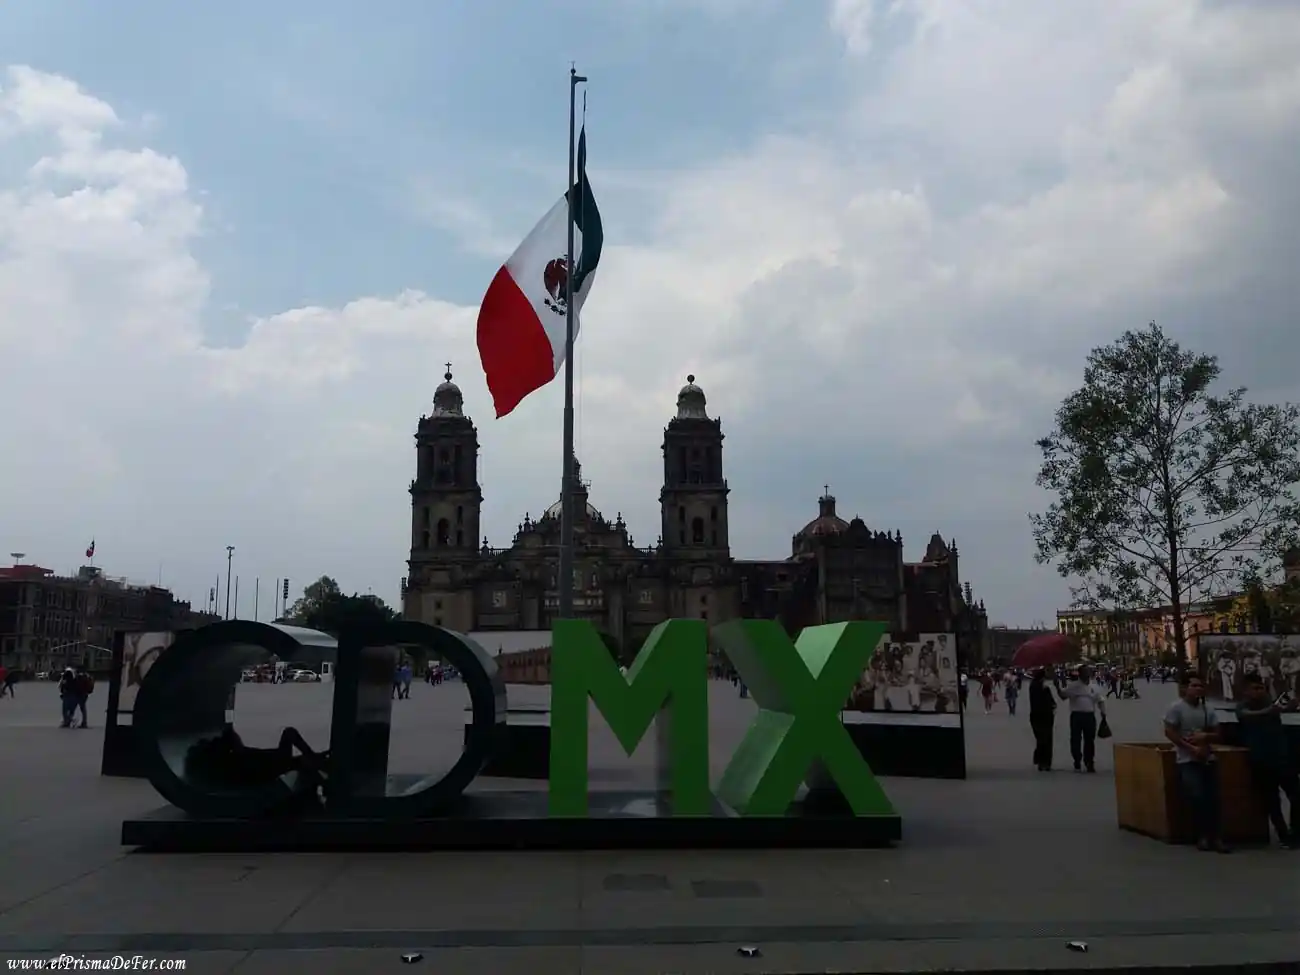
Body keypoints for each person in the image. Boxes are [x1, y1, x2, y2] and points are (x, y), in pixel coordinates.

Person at [1164, 674, 1229, 853]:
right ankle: (1201, 836)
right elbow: (1169, 732)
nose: (1198, 689)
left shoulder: (1208, 709)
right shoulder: (1176, 708)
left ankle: (1217, 837)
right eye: (1194, 686)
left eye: (1200, 686)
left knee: (1214, 798)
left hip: (1208, 757)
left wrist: (1206, 737)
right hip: (1187, 759)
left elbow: (1218, 733)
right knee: (1196, 796)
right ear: (1185, 689)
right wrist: (1191, 748)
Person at [1235, 675, 1299, 849]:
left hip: (1282, 758)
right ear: (1246, 691)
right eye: (1255, 688)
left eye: (1261, 688)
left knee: (1296, 795)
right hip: (1262, 760)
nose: (1259, 691)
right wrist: (1270, 711)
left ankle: (1296, 832)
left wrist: (1289, 707)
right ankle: (1283, 835)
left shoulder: (1269, 703)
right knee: (1272, 801)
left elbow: (1282, 710)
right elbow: (1246, 716)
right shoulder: (1243, 706)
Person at [1056, 665, 1105, 773]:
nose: (1087, 674)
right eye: (1084, 672)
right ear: (1080, 674)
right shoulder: (1073, 686)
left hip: (1089, 716)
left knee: (1090, 740)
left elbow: (1100, 700)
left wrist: (1103, 712)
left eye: (1088, 672)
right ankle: (1077, 759)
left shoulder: (1094, 687)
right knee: (1075, 739)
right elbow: (1063, 696)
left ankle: (1089, 761)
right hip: (1076, 716)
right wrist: (1057, 687)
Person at [1028, 668, 1056, 771]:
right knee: (1047, 739)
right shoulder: (1044, 688)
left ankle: (1040, 761)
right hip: (1045, 716)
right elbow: (1051, 703)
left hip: (1035, 715)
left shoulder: (1032, 686)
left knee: (1040, 738)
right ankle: (1046, 762)